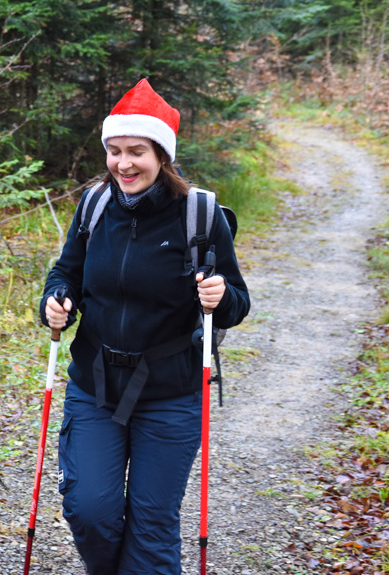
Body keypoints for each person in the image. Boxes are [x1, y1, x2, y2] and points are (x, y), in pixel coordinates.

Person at [39, 79, 250, 574]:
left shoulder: (199, 215)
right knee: (90, 509)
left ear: (162, 155)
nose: (123, 164)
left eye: (137, 151)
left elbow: (238, 302)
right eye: (114, 151)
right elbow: (65, 272)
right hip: (95, 384)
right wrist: (55, 300)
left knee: (152, 523)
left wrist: (220, 296)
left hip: (172, 392)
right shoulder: (94, 207)